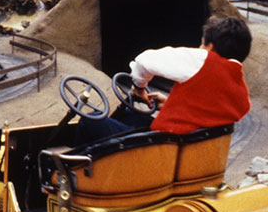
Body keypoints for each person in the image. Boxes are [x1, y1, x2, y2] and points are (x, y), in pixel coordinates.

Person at [75, 16, 252, 143]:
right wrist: (169, 104)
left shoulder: (203, 60)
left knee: (89, 120)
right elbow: (208, 111)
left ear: (210, 47)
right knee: (130, 115)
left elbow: (144, 61)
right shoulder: (241, 94)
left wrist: (139, 87)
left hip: (160, 145)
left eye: (201, 44)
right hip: (184, 146)